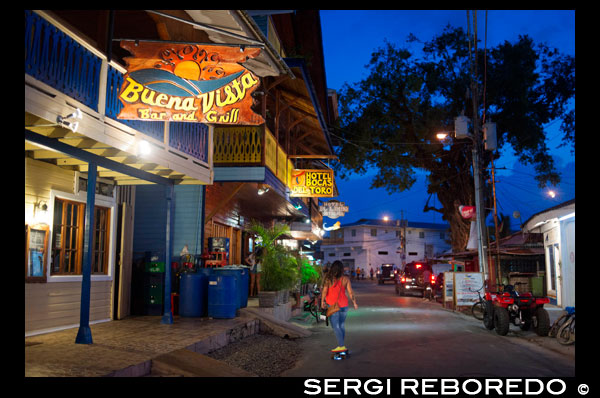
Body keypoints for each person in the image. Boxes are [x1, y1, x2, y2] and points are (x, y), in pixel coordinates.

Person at [321, 260, 358, 353]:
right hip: (344, 305)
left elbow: (324, 291)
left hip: (333, 305)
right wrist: (354, 303)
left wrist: (322, 301)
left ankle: (341, 346)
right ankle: (341, 344)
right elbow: (350, 292)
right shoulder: (345, 279)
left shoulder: (328, 279)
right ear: (341, 269)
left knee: (335, 326)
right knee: (341, 325)